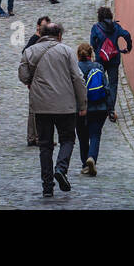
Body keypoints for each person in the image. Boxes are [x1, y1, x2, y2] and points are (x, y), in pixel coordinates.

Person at [18, 22, 86, 197]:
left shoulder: (30, 51)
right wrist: (83, 104)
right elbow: (77, 78)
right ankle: (61, 168)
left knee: (45, 146)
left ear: (41, 34)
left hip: (41, 106)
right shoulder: (66, 51)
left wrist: (33, 81)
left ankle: (47, 186)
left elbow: (24, 76)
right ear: (60, 36)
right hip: (65, 106)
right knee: (68, 139)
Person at [89, 7, 133, 122]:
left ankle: (100, 107)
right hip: (114, 59)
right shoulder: (116, 27)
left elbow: (92, 43)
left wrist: (98, 51)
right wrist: (128, 48)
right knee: (113, 84)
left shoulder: (96, 27)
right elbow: (127, 35)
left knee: (101, 82)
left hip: (101, 59)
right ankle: (111, 110)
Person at [75, 42, 111, 175]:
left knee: (82, 136)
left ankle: (85, 164)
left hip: (80, 108)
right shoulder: (98, 67)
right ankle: (92, 158)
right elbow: (106, 88)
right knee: (95, 134)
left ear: (78, 55)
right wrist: (110, 108)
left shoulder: (75, 68)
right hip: (99, 108)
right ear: (91, 54)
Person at [24, 16, 51, 146]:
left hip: (45, 78)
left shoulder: (46, 40)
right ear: (38, 26)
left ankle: (38, 137)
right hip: (36, 79)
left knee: (44, 109)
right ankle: (33, 137)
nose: (46, 28)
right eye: (44, 26)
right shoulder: (35, 39)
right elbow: (25, 53)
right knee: (35, 110)